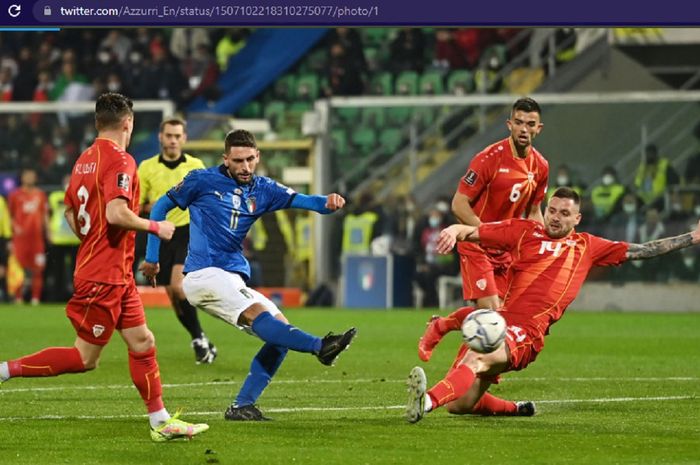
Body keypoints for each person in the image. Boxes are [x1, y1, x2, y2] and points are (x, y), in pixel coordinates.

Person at [0, 93, 208, 442]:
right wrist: (156, 226)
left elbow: (70, 211)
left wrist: (91, 236)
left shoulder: (84, 159)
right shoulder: (121, 161)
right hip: (103, 275)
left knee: (143, 341)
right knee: (85, 358)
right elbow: (115, 213)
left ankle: (160, 421)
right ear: (128, 123)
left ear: (98, 123)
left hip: (114, 272)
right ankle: (5, 370)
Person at [406, 187, 700, 423]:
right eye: (552, 210)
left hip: (528, 333)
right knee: (460, 404)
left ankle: (426, 401)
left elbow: (645, 250)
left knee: (475, 358)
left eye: (564, 213)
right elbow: (475, 231)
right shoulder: (524, 232)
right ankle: (516, 408)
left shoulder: (588, 246)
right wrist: (455, 230)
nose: (556, 217)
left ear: (577, 219)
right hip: (501, 321)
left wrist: (693, 237)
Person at [141, 129, 357, 421]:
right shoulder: (201, 180)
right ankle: (321, 346)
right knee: (260, 315)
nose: (244, 167)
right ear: (226, 159)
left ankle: (242, 406)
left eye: (250, 160)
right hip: (203, 274)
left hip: (230, 277)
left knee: (281, 332)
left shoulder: (263, 189)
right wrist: (153, 258)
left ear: (258, 157)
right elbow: (160, 207)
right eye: (238, 160)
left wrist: (328, 203)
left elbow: (305, 201)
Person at [419, 98, 549, 362]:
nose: (524, 129)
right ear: (509, 124)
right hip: (476, 243)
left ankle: (445, 331)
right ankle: (466, 370)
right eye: (519, 122)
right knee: (491, 313)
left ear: (539, 129)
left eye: (530, 124)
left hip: (507, 249)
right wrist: (485, 232)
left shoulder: (541, 166)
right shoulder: (488, 158)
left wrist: (542, 247)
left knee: (501, 316)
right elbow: (459, 203)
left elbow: (534, 212)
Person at [138, 118, 216, 364]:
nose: (172, 140)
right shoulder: (146, 167)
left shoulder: (195, 165)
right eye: (168, 135)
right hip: (160, 233)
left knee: (178, 286)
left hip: (186, 231)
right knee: (172, 293)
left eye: (177, 136)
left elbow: (207, 197)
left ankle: (198, 340)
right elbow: (138, 204)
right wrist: (160, 204)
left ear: (184, 139)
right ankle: (200, 337)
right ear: (160, 137)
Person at [8, 168, 48, 304]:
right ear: (22, 178)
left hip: (37, 239)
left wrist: (48, 232)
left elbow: (44, 216)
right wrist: (14, 229)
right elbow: (10, 215)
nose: (30, 178)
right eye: (27, 175)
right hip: (20, 240)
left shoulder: (41, 195)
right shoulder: (14, 195)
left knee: (38, 269)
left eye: (32, 175)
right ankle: (18, 298)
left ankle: (35, 299)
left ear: (35, 178)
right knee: (18, 269)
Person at [46, 174, 81, 302]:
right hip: (58, 239)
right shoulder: (54, 196)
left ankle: (76, 297)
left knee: (76, 272)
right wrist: (48, 232)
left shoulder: (80, 196)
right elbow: (47, 215)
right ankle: (57, 297)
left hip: (75, 239)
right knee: (57, 270)